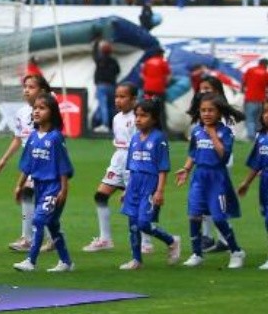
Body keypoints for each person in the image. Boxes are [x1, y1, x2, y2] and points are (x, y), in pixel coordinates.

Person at [176, 93, 245, 268]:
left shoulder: (225, 132)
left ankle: (236, 251)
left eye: (210, 110)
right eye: (203, 110)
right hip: (199, 177)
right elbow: (193, 153)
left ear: (219, 112)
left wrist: (213, 134)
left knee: (219, 218)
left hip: (217, 178)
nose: (206, 114)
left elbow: (223, 156)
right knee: (194, 216)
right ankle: (197, 253)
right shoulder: (197, 131)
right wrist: (186, 169)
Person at [12, 92, 75, 273]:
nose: (36, 112)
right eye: (35, 108)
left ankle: (31, 261)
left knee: (39, 220)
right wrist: (19, 185)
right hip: (39, 186)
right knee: (53, 226)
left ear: (52, 112)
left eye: (42, 108)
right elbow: (27, 165)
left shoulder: (55, 138)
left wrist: (63, 189)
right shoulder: (32, 137)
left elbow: (63, 166)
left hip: (53, 187)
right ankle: (66, 262)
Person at [119, 98, 182, 270]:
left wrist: (159, 191)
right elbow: (132, 167)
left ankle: (171, 240)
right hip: (134, 185)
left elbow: (163, 168)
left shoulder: (159, 139)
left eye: (143, 116)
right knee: (132, 224)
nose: (138, 119)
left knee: (143, 224)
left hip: (150, 184)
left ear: (154, 118)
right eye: (137, 115)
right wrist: (126, 189)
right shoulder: (134, 138)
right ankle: (136, 260)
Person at [0, 74, 55, 253]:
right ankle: (39, 238)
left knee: (34, 195)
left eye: (31, 87)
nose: (26, 90)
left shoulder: (50, 111)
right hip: (31, 161)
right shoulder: (22, 113)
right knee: (31, 195)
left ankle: (33, 238)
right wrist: (4, 159)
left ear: (42, 91)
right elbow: (18, 139)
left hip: (46, 161)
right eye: (25, 87)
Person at [83, 82, 137, 253]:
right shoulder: (116, 118)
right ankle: (105, 239)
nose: (118, 100)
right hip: (118, 159)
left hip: (133, 161)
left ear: (134, 99)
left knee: (134, 202)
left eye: (123, 97)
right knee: (100, 195)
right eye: (116, 97)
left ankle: (146, 242)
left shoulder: (138, 118)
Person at [236, 100, 268, 269]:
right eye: (266, 112)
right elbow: (256, 164)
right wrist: (246, 183)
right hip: (265, 185)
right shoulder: (261, 138)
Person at [91, 39, 120, 133]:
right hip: (112, 86)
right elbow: (118, 71)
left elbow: (94, 54)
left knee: (103, 105)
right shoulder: (113, 61)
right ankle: (112, 125)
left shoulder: (100, 60)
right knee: (111, 106)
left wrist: (96, 41)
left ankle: (105, 125)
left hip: (102, 85)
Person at [242, 58, 268, 141]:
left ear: (259, 63)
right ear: (265, 65)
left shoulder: (250, 70)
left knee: (250, 119)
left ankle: (251, 137)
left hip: (250, 99)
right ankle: (259, 136)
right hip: (260, 101)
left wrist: (243, 90)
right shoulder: (266, 74)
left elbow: (244, 82)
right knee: (257, 120)